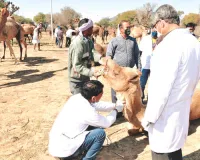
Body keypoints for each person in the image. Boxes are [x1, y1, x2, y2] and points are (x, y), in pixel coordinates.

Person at [142, 4, 200, 160]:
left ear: (161, 23)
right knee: (175, 151)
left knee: (164, 153)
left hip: (164, 117)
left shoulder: (167, 46)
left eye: (156, 26)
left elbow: (160, 90)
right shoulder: (193, 42)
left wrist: (149, 119)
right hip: (180, 111)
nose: (156, 30)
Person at [48, 80, 124, 160]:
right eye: (101, 94)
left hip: (56, 144)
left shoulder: (76, 98)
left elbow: (97, 104)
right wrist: (116, 110)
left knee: (94, 126)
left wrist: (114, 105)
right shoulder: (89, 112)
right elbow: (107, 123)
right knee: (99, 133)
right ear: (93, 97)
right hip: (66, 151)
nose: (102, 95)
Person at [106, 20, 140, 116]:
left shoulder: (133, 41)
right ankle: (116, 112)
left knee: (128, 91)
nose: (129, 29)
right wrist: (111, 71)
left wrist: (139, 68)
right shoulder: (114, 41)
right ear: (121, 29)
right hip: (117, 72)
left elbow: (137, 55)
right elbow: (108, 56)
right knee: (116, 92)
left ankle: (127, 110)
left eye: (130, 27)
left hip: (128, 72)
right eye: (127, 28)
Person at [68, 18, 102, 95]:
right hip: (77, 81)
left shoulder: (88, 40)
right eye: (91, 28)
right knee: (79, 104)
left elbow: (92, 52)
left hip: (85, 77)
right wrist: (92, 72)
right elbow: (77, 66)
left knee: (86, 101)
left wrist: (101, 59)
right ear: (86, 29)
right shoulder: (78, 44)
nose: (92, 29)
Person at [139, 29, 157, 103]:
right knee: (142, 83)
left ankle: (150, 100)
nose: (155, 31)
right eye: (154, 29)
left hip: (156, 66)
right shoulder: (145, 39)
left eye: (156, 30)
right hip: (145, 65)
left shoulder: (162, 39)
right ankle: (141, 98)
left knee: (153, 84)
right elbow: (140, 51)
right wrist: (139, 64)